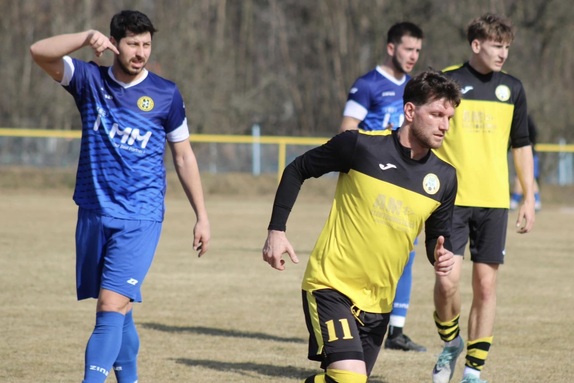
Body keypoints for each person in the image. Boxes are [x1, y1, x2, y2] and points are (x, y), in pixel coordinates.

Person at [29, 10, 210, 383]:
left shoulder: (166, 94)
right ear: (114, 44)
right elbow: (38, 52)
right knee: (121, 310)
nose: (140, 52)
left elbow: (183, 155)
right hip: (94, 211)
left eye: (146, 44)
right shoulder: (89, 80)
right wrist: (84, 36)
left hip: (140, 215)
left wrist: (201, 215)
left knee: (109, 305)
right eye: (132, 44)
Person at [262, 70, 461, 383]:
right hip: (332, 286)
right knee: (350, 379)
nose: (444, 125)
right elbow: (297, 169)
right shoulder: (360, 147)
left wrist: (442, 256)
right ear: (410, 111)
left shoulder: (445, 178)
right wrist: (276, 231)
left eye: (449, 117)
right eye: (436, 114)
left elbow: (438, 239)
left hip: (380, 304)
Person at [431, 13, 535, 383]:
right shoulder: (448, 82)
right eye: (496, 46)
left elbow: (521, 145)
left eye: (507, 47)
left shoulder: (513, 89)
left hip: (494, 202)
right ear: (476, 45)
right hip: (451, 201)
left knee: (486, 286)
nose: (503, 53)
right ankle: (449, 345)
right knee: (446, 282)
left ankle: (473, 372)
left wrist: (527, 197)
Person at [339, 21, 426, 352]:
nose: (413, 56)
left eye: (417, 50)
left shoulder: (416, 88)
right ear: (391, 48)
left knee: (405, 254)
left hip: (406, 184)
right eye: (408, 49)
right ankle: (349, 320)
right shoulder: (367, 85)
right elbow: (347, 130)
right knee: (365, 256)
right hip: (372, 184)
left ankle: (397, 331)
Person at [510, 115, 542, 211]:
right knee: (522, 178)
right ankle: (532, 201)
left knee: (529, 177)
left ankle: (517, 201)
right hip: (521, 153)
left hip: (529, 154)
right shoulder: (514, 118)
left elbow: (533, 134)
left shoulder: (526, 119)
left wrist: (530, 143)